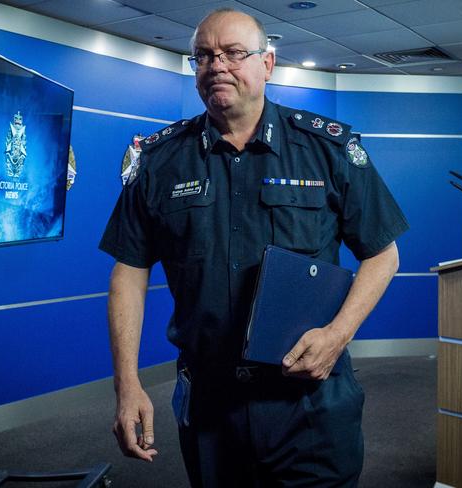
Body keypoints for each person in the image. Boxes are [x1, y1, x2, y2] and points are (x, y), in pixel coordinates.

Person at [99, 7, 408, 487]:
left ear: (267, 63)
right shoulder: (159, 162)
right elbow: (129, 272)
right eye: (203, 56)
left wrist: (338, 335)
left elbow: (382, 254)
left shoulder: (328, 150)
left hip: (308, 401)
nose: (217, 65)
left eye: (233, 54)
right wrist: (128, 384)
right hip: (211, 406)